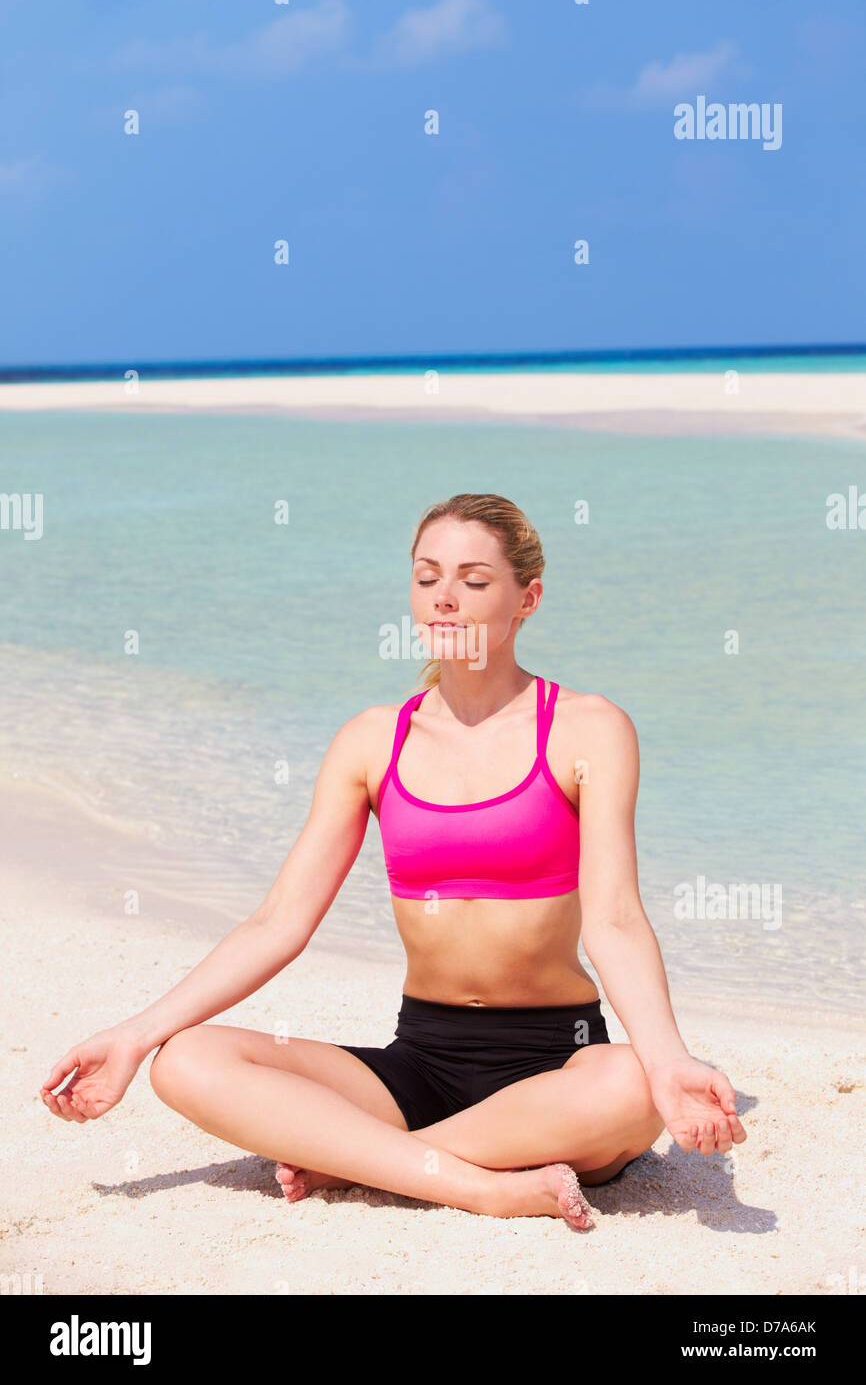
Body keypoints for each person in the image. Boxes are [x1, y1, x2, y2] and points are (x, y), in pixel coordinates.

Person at [40, 492, 746, 1231]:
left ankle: (366, 1162)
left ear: (527, 598)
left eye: (474, 580)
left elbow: (615, 919)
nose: (444, 598)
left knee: (631, 1088)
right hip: (419, 1061)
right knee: (185, 1060)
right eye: (426, 577)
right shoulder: (373, 741)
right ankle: (480, 1185)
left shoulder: (589, 729)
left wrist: (669, 1063)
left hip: (553, 1061)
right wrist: (132, 1035)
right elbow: (279, 922)